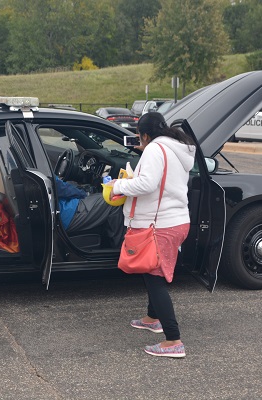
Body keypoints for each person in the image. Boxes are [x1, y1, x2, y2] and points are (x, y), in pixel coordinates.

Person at [109, 111, 195, 358]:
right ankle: (152, 318)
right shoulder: (175, 149)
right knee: (151, 270)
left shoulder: (155, 150)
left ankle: (173, 340)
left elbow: (147, 184)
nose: (139, 140)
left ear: (145, 134)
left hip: (160, 224)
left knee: (154, 276)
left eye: (139, 136)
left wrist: (119, 185)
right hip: (176, 221)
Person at [55, 176, 124, 248]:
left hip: (59, 210)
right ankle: (120, 248)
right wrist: (83, 193)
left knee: (72, 183)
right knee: (112, 202)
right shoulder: (43, 168)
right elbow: (60, 187)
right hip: (66, 213)